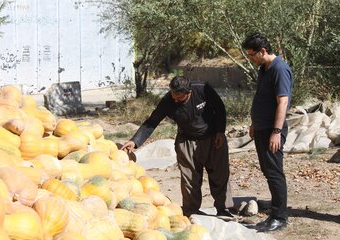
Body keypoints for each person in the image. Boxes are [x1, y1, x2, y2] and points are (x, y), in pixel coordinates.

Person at [121, 76, 234, 218]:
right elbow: (152, 121)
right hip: (186, 141)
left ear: (189, 93)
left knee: (220, 174)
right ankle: (191, 211)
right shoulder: (169, 100)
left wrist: (220, 132)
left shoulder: (202, 89)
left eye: (179, 97)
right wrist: (135, 141)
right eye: (173, 95)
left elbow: (220, 108)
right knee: (189, 180)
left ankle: (223, 209)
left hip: (212, 138)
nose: (175, 99)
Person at [241, 32, 293, 232]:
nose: (250, 58)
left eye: (252, 55)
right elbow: (262, 98)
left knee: (274, 172)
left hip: (273, 131)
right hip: (261, 129)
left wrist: (276, 131)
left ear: (263, 51)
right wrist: (255, 123)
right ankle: (275, 211)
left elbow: (283, 102)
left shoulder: (280, 69)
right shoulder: (264, 69)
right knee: (268, 171)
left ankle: (280, 217)